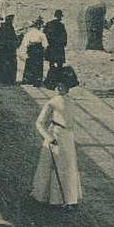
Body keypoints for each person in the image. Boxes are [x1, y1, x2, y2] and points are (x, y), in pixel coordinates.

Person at [30, 80, 83, 208]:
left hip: (68, 137)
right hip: (56, 136)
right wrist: (48, 137)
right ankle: (51, 197)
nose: (59, 88)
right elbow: (39, 123)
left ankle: (70, 198)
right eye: (57, 85)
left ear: (68, 87)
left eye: (62, 85)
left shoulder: (71, 101)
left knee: (69, 166)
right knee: (54, 167)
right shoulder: (52, 102)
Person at [20, 17, 48, 85]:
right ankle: (37, 80)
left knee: (29, 64)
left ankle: (28, 80)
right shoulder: (41, 34)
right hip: (39, 50)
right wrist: (43, 51)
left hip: (31, 50)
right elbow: (45, 44)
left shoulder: (28, 33)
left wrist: (24, 51)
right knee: (38, 65)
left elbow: (25, 43)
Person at [43, 10, 68, 75]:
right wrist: (64, 43)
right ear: (59, 16)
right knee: (60, 63)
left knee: (51, 62)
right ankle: (58, 76)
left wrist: (47, 42)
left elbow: (44, 34)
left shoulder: (48, 24)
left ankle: (51, 75)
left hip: (51, 46)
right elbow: (64, 35)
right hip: (59, 47)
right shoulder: (61, 25)